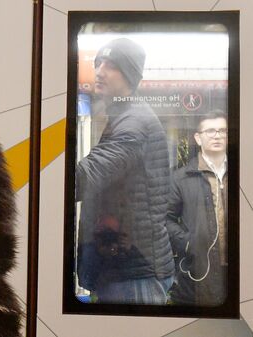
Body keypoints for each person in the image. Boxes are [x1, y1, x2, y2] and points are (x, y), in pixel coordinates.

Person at [76, 38, 174, 304]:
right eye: (98, 63)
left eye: (112, 65)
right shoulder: (123, 116)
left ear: (130, 75)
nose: (99, 71)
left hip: (133, 276)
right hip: (125, 269)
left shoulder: (133, 123)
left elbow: (86, 178)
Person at [166, 111, 228, 306]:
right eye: (210, 131)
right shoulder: (181, 178)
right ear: (198, 138)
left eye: (222, 130)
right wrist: (187, 243)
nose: (217, 135)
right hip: (198, 270)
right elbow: (163, 218)